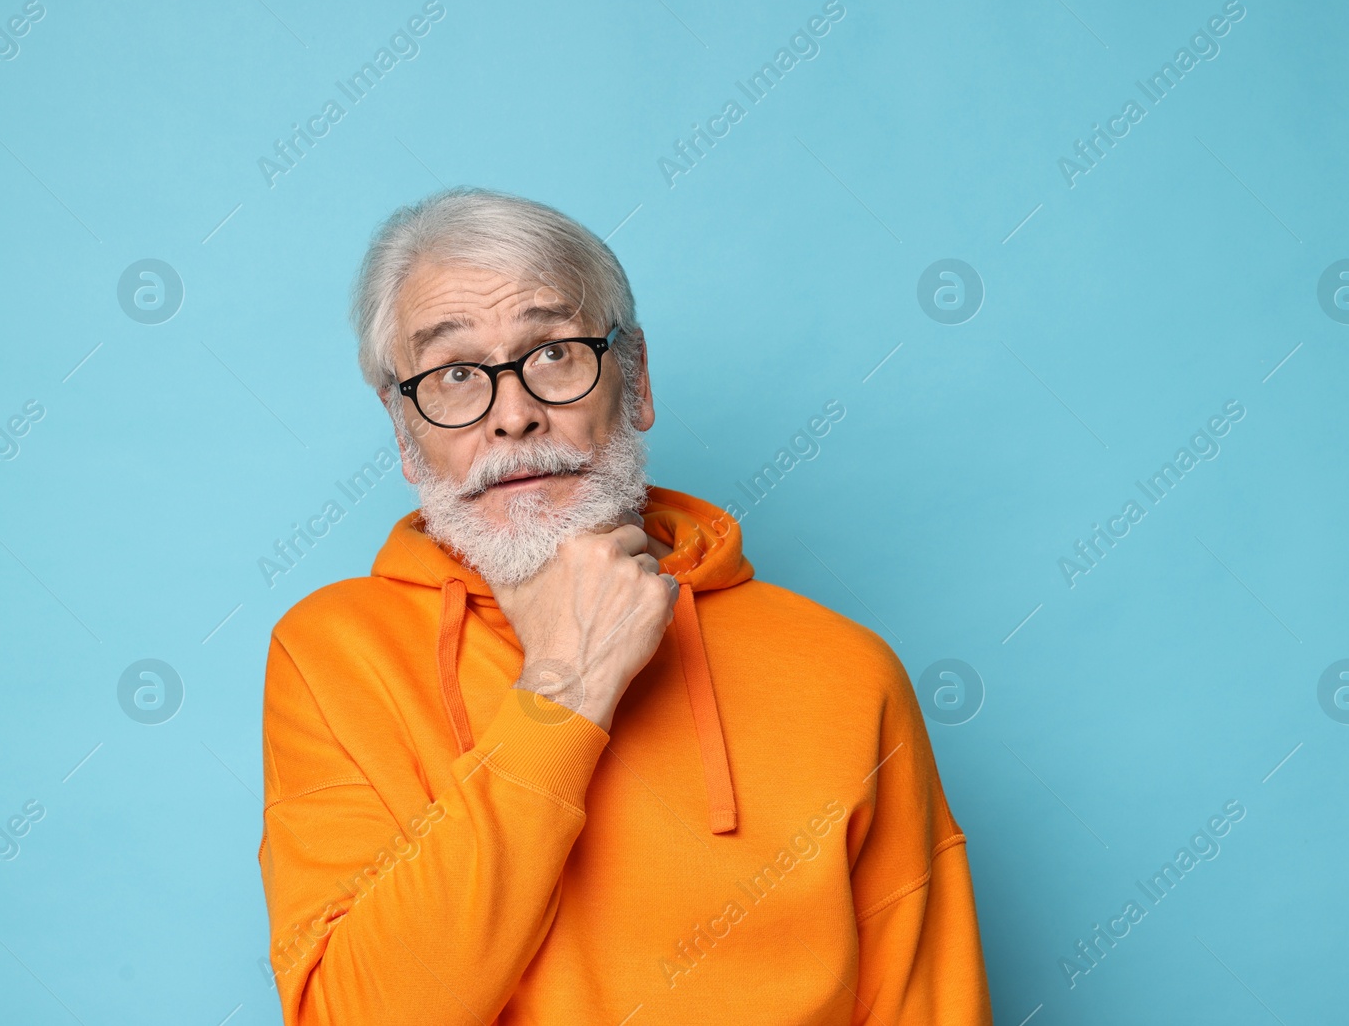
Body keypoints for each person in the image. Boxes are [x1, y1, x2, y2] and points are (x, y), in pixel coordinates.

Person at [257, 186, 993, 1024]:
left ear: (634, 378)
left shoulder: (848, 674)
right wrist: (565, 690)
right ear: (403, 432)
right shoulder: (332, 657)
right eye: (456, 373)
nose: (514, 415)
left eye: (554, 353)